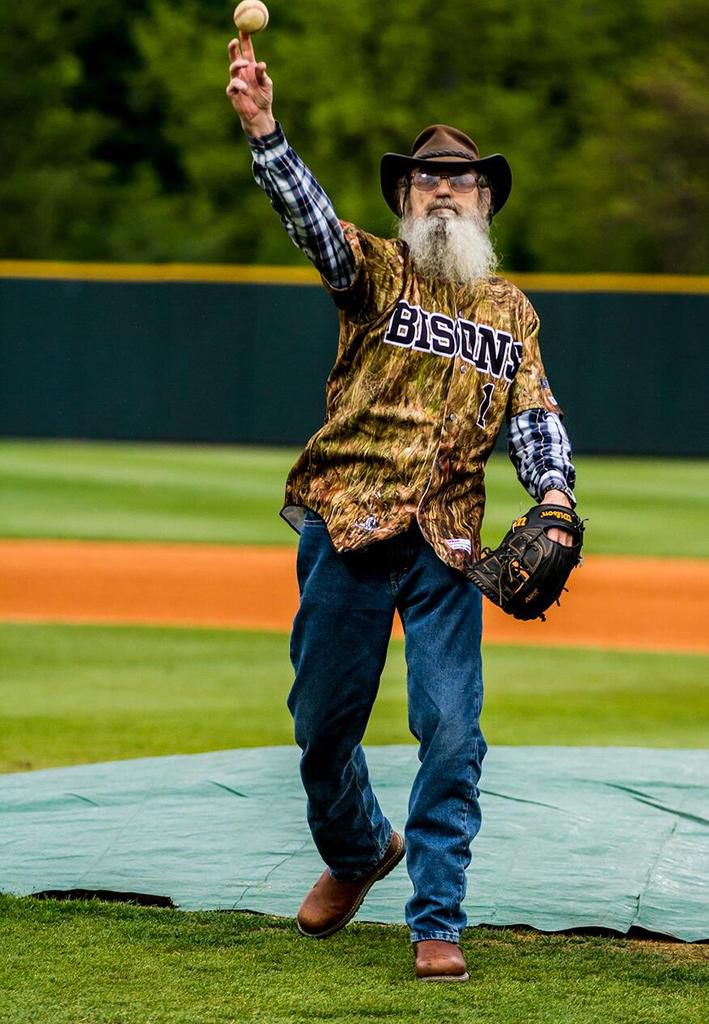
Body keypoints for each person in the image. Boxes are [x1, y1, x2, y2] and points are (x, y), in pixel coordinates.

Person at [226, 31, 576, 983]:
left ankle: (438, 918)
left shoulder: (511, 313)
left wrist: (552, 493)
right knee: (322, 729)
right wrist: (264, 129)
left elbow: (534, 413)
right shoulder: (375, 273)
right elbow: (310, 222)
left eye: (461, 178)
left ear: (485, 199)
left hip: (445, 545)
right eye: (427, 178)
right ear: (404, 198)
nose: (444, 188)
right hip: (347, 525)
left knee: (453, 730)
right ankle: (355, 850)